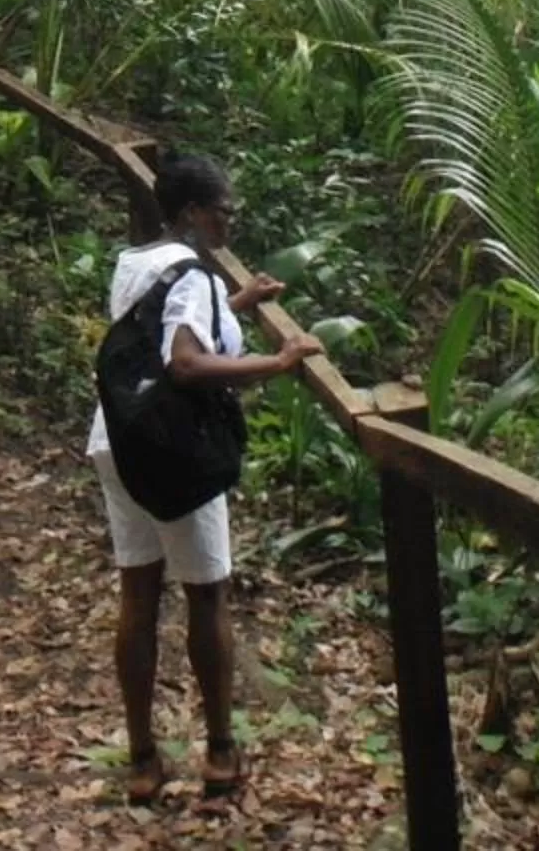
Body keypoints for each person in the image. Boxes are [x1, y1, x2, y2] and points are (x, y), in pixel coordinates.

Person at [87, 151, 321, 805]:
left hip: (117, 438)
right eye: (223, 212)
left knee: (139, 592)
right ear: (192, 212)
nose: (228, 224)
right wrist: (279, 361)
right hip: (174, 448)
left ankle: (142, 762)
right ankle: (220, 753)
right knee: (206, 593)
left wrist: (235, 301)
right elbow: (185, 364)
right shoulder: (194, 273)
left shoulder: (138, 262)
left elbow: (154, 330)